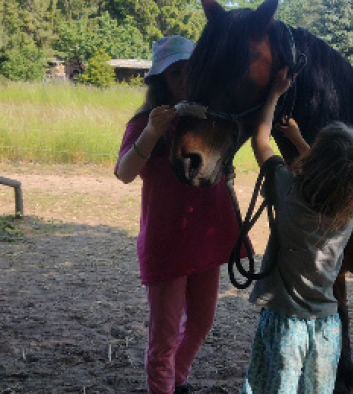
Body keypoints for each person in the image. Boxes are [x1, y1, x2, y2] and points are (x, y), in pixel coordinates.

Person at [115, 35, 243, 394]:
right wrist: (154, 131)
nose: (185, 80)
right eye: (175, 73)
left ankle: (178, 379)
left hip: (206, 237)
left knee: (202, 322)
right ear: (160, 80)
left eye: (191, 71)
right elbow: (124, 173)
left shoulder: (207, 119)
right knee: (164, 337)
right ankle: (165, 386)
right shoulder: (144, 123)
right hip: (167, 242)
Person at [240, 68, 353, 394]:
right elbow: (331, 174)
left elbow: (260, 142)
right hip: (327, 326)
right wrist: (299, 140)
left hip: (286, 323)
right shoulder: (349, 211)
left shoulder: (289, 191)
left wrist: (273, 94)